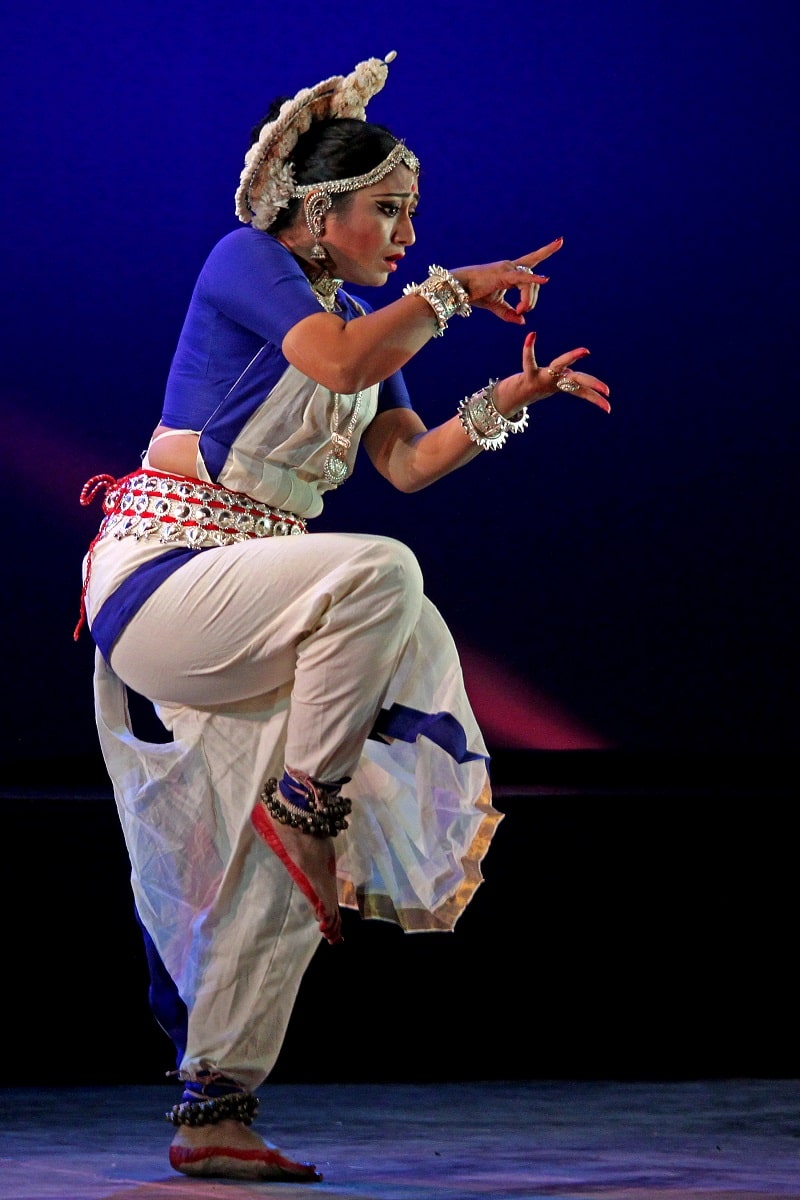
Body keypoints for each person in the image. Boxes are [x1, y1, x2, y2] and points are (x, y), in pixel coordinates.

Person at [75, 51, 610, 1183]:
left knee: (388, 634)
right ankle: (313, 798)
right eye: (387, 211)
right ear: (316, 213)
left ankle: (213, 1109)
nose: (405, 232)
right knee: (379, 574)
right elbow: (330, 357)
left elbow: (406, 463)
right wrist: (453, 291)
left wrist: (510, 400)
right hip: (169, 576)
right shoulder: (249, 266)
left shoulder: (373, 320)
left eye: (412, 215)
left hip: (266, 604)